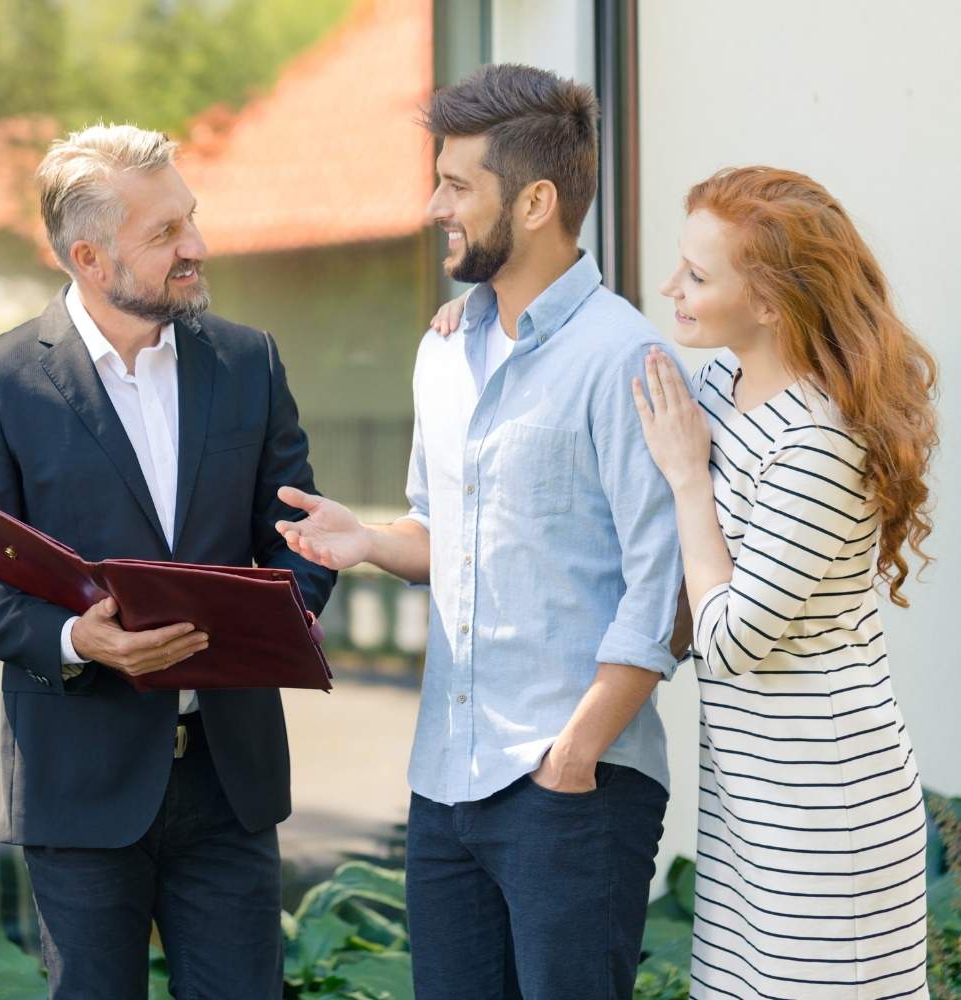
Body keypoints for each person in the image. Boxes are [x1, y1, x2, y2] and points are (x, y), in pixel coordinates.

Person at [276, 64, 684, 998]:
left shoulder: (624, 357)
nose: (432, 207)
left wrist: (572, 755)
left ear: (536, 200)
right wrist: (370, 540)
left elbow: (660, 588)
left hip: (573, 788)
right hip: (446, 784)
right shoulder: (444, 350)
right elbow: (442, 530)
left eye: (456, 184)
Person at [0, 123, 335, 999]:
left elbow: (298, 537)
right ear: (88, 256)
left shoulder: (248, 362)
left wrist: (273, 626)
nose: (196, 247)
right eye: (165, 235)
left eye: (189, 219)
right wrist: (78, 638)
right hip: (81, 782)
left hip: (231, 778)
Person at [633, 166, 934, 999]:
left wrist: (690, 480)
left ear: (767, 302)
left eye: (697, 275)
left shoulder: (817, 443)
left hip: (824, 801)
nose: (671, 286)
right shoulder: (721, 389)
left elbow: (728, 638)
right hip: (747, 795)